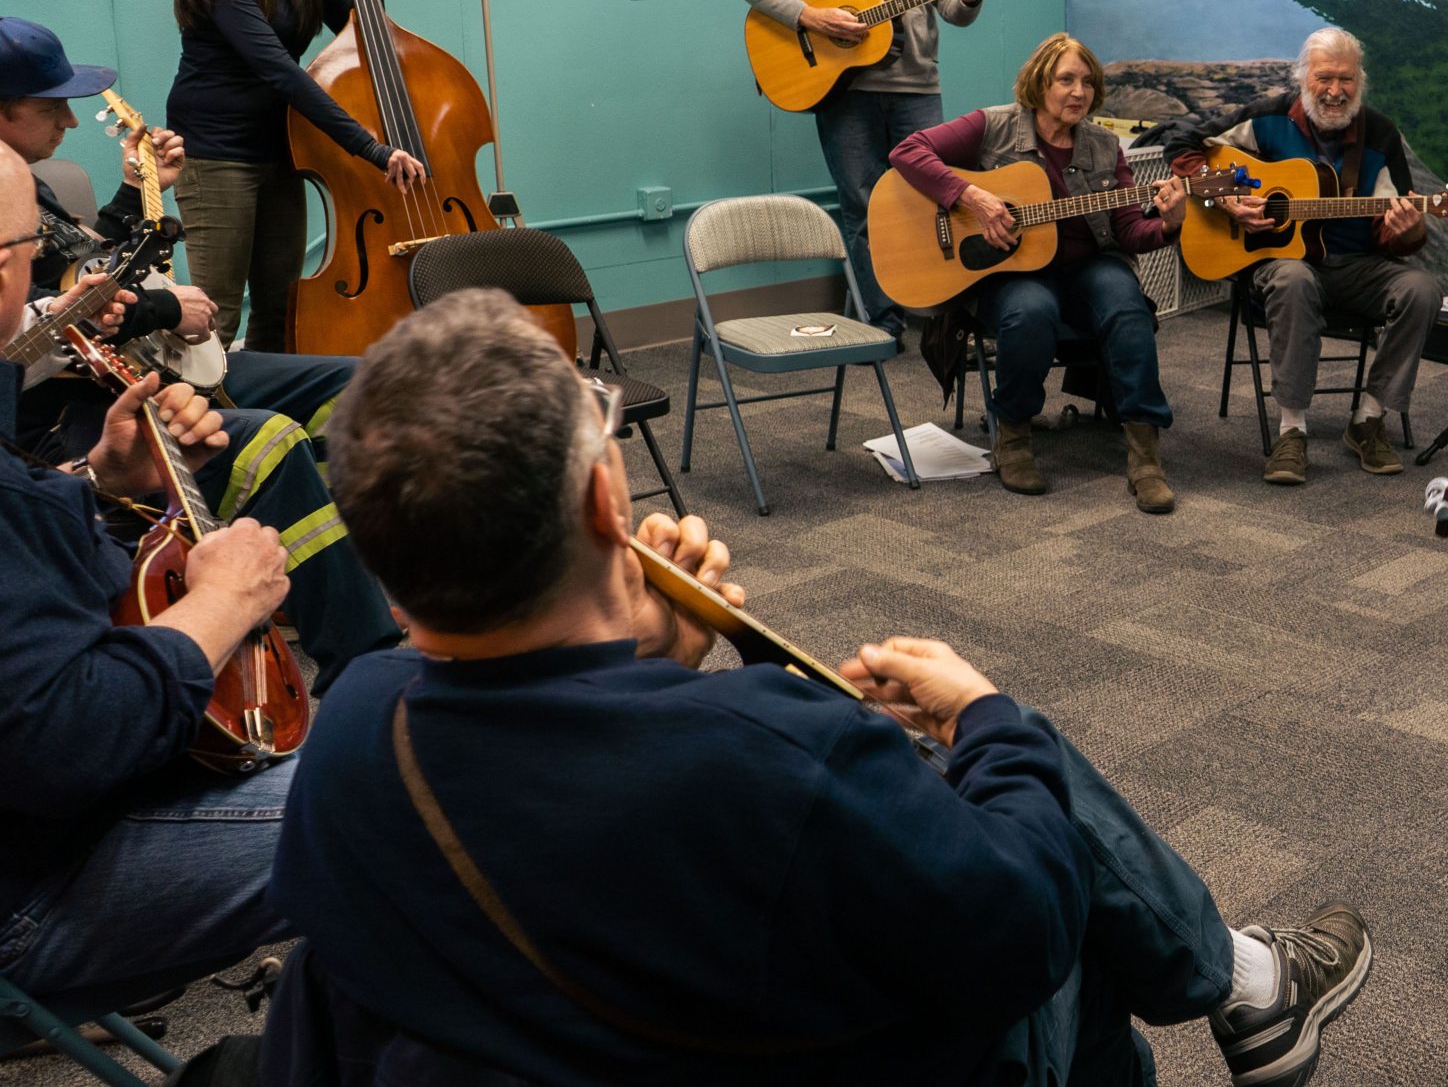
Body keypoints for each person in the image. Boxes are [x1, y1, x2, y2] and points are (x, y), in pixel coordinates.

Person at [262, 287, 1373, 1087]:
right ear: (608, 504)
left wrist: (649, 655)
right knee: (1058, 875)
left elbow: (557, 791)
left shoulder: (353, 724)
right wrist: (988, 716)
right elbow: (1019, 923)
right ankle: (1240, 979)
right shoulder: (768, 743)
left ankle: (1244, 978)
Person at [0, 140, 331, 1017]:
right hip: (30, 888)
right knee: (437, 781)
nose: (37, 267)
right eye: (27, 249)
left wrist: (97, 480)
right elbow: (64, 745)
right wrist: (221, 607)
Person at [0, 17, 398, 690]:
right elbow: (44, 328)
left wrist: (138, 189)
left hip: (144, 365)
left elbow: (90, 268)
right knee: (267, 442)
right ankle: (366, 666)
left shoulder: (31, 187)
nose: (68, 123)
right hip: (75, 412)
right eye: (50, 107)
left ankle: (332, 584)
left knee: (365, 386)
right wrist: (161, 309)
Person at [890, 33, 1186, 512]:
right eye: (1066, 79)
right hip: (1012, 272)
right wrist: (972, 197)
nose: (1079, 92)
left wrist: (1168, 224)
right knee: (1031, 311)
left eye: (1088, 82)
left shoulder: (1104, 144)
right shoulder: (995, 126)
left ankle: (1145, 455)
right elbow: (908, 152)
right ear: (1039, 82)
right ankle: (1013, 438)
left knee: (1126, 306)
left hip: (1088, 266)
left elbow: (1129, 230)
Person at [166, 0, 426, 351]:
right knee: (216, 314)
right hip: (216, 154)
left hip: (280, 149)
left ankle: (274, 422)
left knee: (282, 308)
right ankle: (203, 424)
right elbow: (281, 72)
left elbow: (360, 36)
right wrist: (373, 149)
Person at [737, 0, 986, 339]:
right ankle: (881, 321)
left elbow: (954, 13)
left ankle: (936, 312)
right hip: (845, 93)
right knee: (862, 204)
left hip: (916, 86)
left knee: (931, 196)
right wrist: (811, 19)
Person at [1162, 27, 1440, 485]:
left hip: (1357, 266)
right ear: (1303, 78)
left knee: (1422, 290)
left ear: (1360, 82)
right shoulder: (1267, 118)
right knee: (1295, 279)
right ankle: (1292, 430)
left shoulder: (1381, 134)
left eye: (1346, 80)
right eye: (1324, 78)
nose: (1335, 91)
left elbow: (1394, 234)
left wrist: (1407, 231)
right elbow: (1182, 146)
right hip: (1280, 263)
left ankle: (1368, 419)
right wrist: (1227, 197)